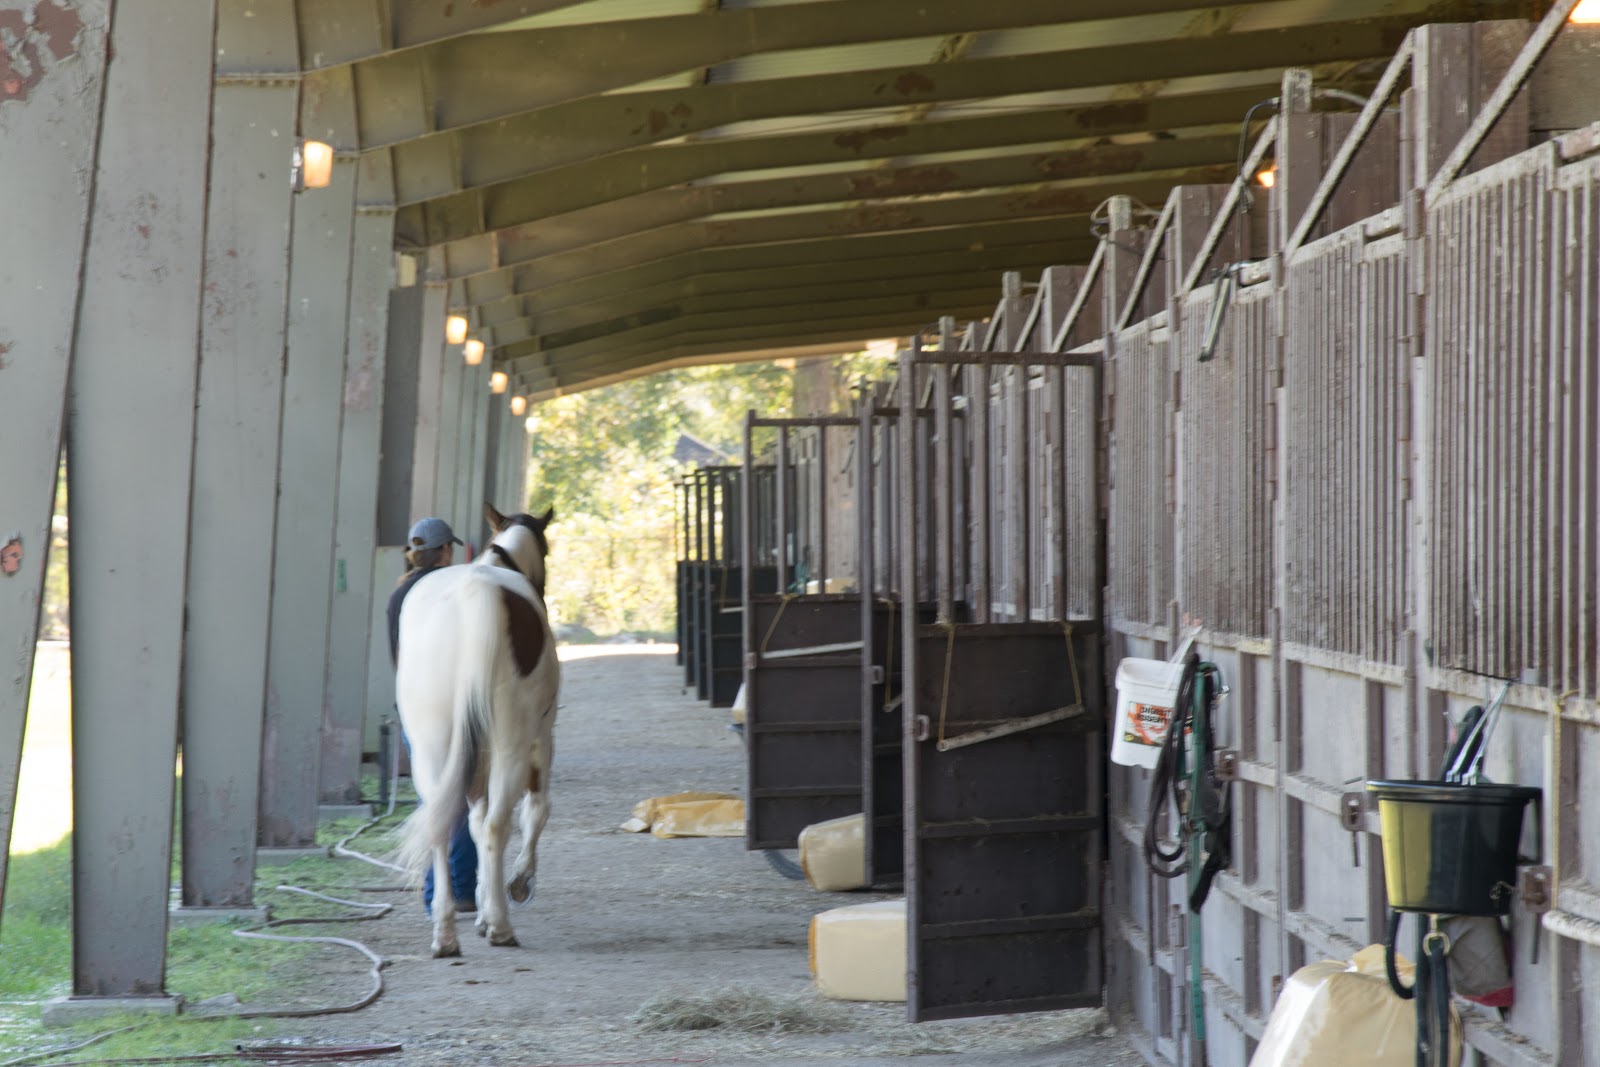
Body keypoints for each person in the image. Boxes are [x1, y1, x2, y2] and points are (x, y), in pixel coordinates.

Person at [388, 516, 478, 915]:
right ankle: (460, 889)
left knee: (434, 797)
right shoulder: (447, 595)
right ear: (444, 551)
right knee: (464, 797)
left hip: (414, 708)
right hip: (452, 704)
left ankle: (434, 894)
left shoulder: (400, 596)